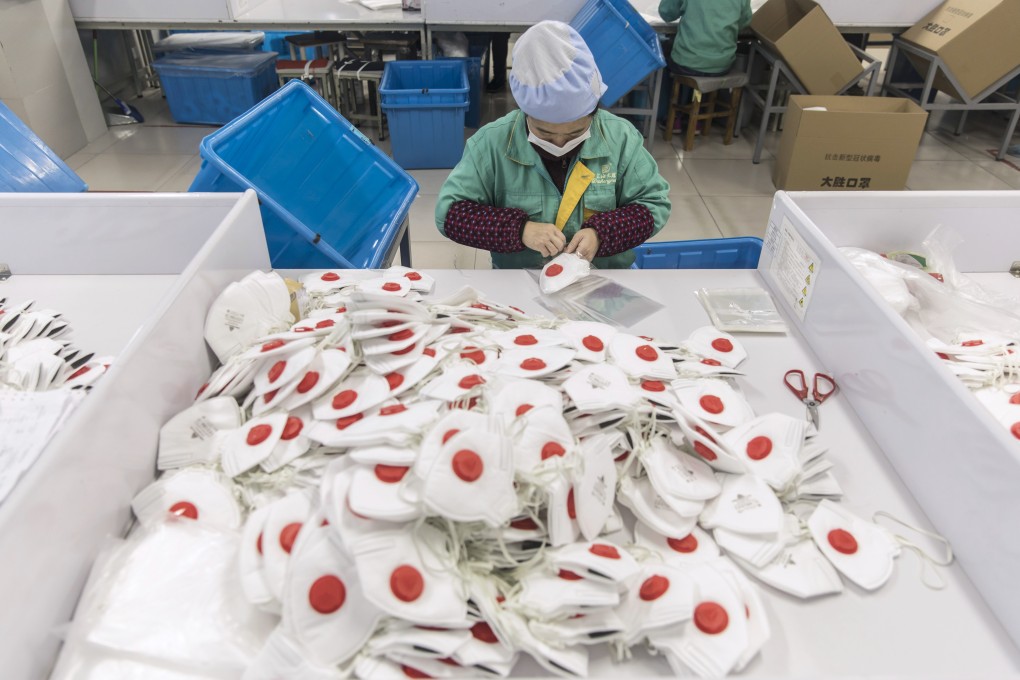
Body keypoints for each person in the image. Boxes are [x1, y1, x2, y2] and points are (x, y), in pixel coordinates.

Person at [435, 21, 671, 270]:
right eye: (545, 133)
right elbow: (450, 214)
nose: (560, 143)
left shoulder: (620, 139)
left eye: (576, 132)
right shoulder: (492, 144)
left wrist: (603, 233)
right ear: (524, 112)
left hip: (603, 281)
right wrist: (518, 229)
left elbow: (654, 204)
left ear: (594, 112)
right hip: (521, 284)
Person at [659, 0, 752, 78]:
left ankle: (669, 98)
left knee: (663, 48)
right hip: (722, 65)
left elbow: (666, 13)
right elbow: (743, 22)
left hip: (687, 63)